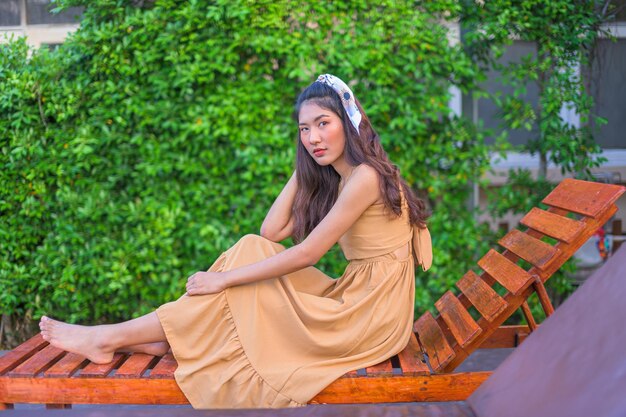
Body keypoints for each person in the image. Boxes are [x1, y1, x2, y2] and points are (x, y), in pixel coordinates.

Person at [39, 74, 430, 408]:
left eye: (323, 124)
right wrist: (307, 164)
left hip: (369, 316)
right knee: (250, 247)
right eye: (304, 129)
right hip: (359, 297)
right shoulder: (346, 177)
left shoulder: (365, 178)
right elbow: (270, 232)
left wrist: (223, 279)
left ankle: (109, 337)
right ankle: (154, 338)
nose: (313, 137)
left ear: (348, 121)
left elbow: (308, 252)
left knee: (240, 278)